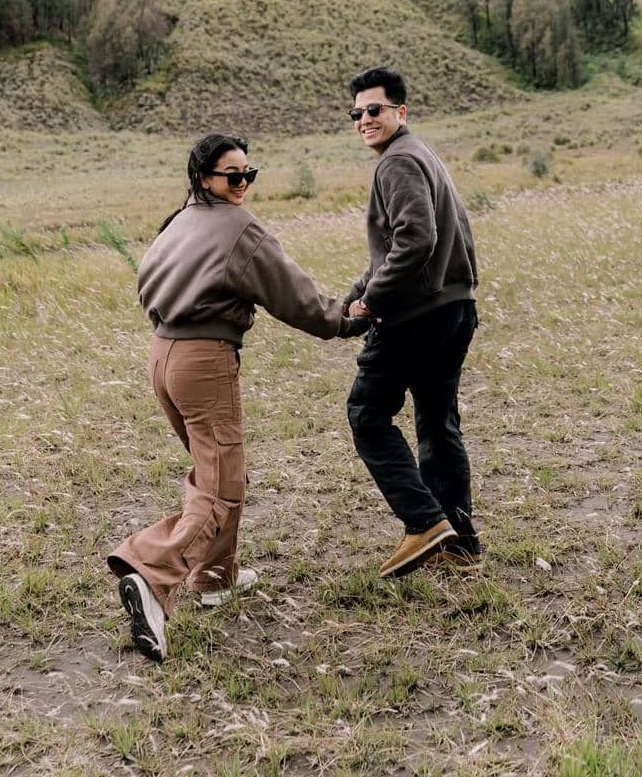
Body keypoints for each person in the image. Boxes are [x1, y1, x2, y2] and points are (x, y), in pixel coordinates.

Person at [108, 132, 364, 662]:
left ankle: (215, 578)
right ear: (205, 178)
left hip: (163, 356)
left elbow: (145, 282)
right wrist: (344, 320)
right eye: (232, 175)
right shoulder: (237, 228)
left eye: (249, 173)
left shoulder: (179, 221)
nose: (243, 183)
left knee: (216, 471)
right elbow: (292, 294)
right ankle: (150, 571)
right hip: (203, 361)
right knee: (221, 486)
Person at [343, 66, 482, 579]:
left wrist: (373, 300)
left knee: (367, 413)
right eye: (356, 113)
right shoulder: (422, 154)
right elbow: (400, 247)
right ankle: (461, 542)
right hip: (454, 308)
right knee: (438, 421)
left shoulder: (395, 163)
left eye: (374, 109)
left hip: (417, 317)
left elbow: (415, 241)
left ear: (400, 111)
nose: (364, 119)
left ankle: (425, 523)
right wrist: (355, 298)